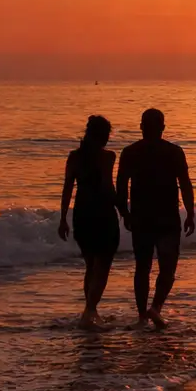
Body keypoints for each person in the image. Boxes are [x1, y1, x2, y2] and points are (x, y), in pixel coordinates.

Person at [117, 108, 196, 329]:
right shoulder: (174, 152)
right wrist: (190, 213)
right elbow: (185, 185)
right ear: (163, 127)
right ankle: (156, 308)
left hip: (142, 218)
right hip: (167, 218)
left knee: (142, 268)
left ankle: (143, 316)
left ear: (141, 127)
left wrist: (124, 213)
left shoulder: (130, 152)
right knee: (167, 268)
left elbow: (121, 187)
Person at [58, 115, 125, 329]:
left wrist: (63, 219)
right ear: (103, 135)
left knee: (91, 266)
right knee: (102, 267)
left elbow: (68, 188)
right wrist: (124, 211)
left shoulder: (74, 157)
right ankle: (90, 311)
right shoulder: (108, 157)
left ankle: (89, 311)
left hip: (83, 214)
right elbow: (108, 187)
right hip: (103, 214)